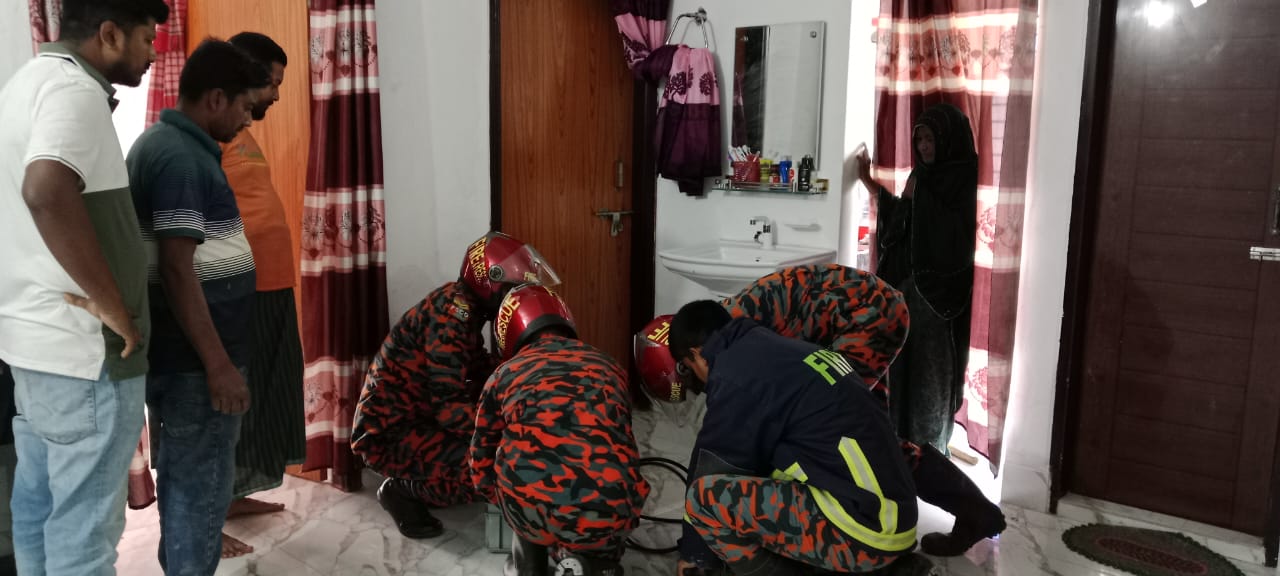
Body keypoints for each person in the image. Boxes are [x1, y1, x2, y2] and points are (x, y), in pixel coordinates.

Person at [0, 0, 167, 573]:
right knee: (84, 537)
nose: (153, 53)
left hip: (33, 344)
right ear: (110, 34)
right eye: (147, 38)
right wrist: (110, 304)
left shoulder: (24, 84)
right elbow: (46, 190)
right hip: (84, 353)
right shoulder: (75, 91)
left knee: (39, 509)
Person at [719, 264, 1005, 556]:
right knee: (875, 438)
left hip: (865, 319)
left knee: (848, 436)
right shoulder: (723, 324)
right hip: (868, 312)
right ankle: (973, 511)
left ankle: (933, 519)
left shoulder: (730, 340)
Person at [127, 39, 270, 575]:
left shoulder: (165, 144)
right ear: (215, 99)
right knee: (199, 486)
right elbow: (176, 268)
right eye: (243, 106)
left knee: (187, 480)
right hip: (193, 362)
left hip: (179, 354)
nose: (247, 119)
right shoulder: (181, 159)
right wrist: (218, 365)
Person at [661, 301, 918, 575]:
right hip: (895, 518)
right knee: (769, 467)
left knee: (704, 500)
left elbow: (712, 465)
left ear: (696, 354)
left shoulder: (736, 375)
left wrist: (695, 555)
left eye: (689, 367)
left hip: (863, 529)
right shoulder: (779, 349)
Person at [351, 231, 560, 539]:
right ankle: (401, 490)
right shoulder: (451, 317)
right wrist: (503, 437)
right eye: (512, 288)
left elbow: (478, 365)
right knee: (487, 469)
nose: (515, 298)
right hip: (388, 434)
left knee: (496, 443)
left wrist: (521, 381)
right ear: (490, 282)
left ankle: (428, 477)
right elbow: (448, 407)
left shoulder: (463, 307)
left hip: (414, 417)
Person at [470, 284, 649, 576]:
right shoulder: (610, 366)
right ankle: (597, 563)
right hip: (611, 509)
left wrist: (502, 500)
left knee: (520, 479)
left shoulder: (503, 375)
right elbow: (622, 437)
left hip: (531, 510)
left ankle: (530, 564)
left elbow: (480, 458)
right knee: (603, 504)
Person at [217, 31, 304, 559]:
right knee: (229, 404)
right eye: (271, 83)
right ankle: (206, 518)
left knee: (263, 400)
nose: (275, 93)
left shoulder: (241, 133)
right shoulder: (208, 134)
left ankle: (232, 496)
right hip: (237, 289)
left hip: (270, 285)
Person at [855, 103, 978, 457]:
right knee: (900, 371)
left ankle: (931, 455)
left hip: (938, 301)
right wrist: (868, 182)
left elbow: (958, 239)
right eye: (919, 139)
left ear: (947, 140)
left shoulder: (963, 177)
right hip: (906, 292)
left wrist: (919, 195)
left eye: (930, 139)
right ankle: (898, 449)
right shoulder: (921, 176)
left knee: (931, 377)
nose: (923, 146)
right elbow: (901, 222)